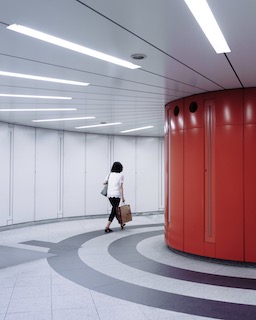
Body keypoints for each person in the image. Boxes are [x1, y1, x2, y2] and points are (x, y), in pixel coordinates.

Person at [103, 161, 125, 233]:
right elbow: (121, 187)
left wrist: (110, 182)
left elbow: (103, 182)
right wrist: (123, 197)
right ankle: (107, 226)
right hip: (116, 195)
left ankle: (121, 223)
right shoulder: (121, 175)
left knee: (115, 210)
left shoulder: (109, 174)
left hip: (109, 195)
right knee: (114, 210)